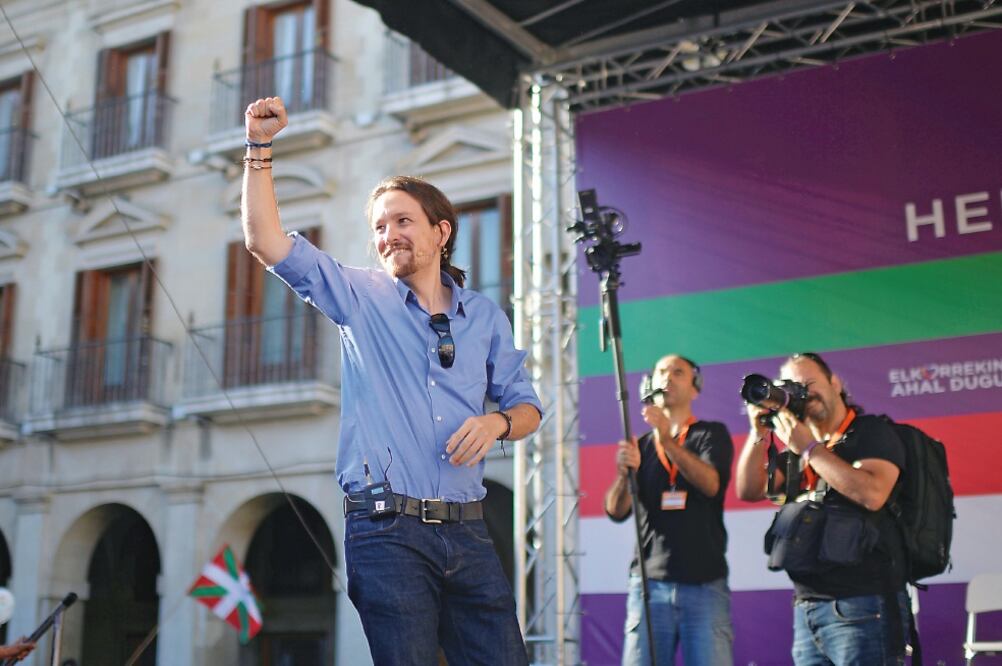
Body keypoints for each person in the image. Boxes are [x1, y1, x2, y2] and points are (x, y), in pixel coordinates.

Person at [241, 97, 542, 664]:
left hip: (468, 530)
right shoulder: (357, 295)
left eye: (402, 221)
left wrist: (497, 421)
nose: (389, 235)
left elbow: (528, 409)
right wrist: (259, 148)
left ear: (441, 231)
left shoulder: (484, 317)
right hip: (387, 532)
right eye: (379, 227)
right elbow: (265, 241)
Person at [734, 352, 908, 665]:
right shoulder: (797, 446)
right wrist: (758, 433)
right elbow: (749, 489)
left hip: (864, 605)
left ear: (835, 383)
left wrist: (810, 449)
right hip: (808, 609)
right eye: (793, 387)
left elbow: (872, 493)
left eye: (809, 383)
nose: (804, 392)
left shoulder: (871, 432)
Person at [604, 354, 734, 666]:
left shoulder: (710, 434)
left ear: (695, 388)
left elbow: (710, 484)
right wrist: (625, 475)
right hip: (649, 585)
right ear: (650, 384)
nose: (669, 377)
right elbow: (616, 510)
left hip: (704, 584)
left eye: (679, 372)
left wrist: (667, 439)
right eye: (662, 371)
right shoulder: (642, 445)